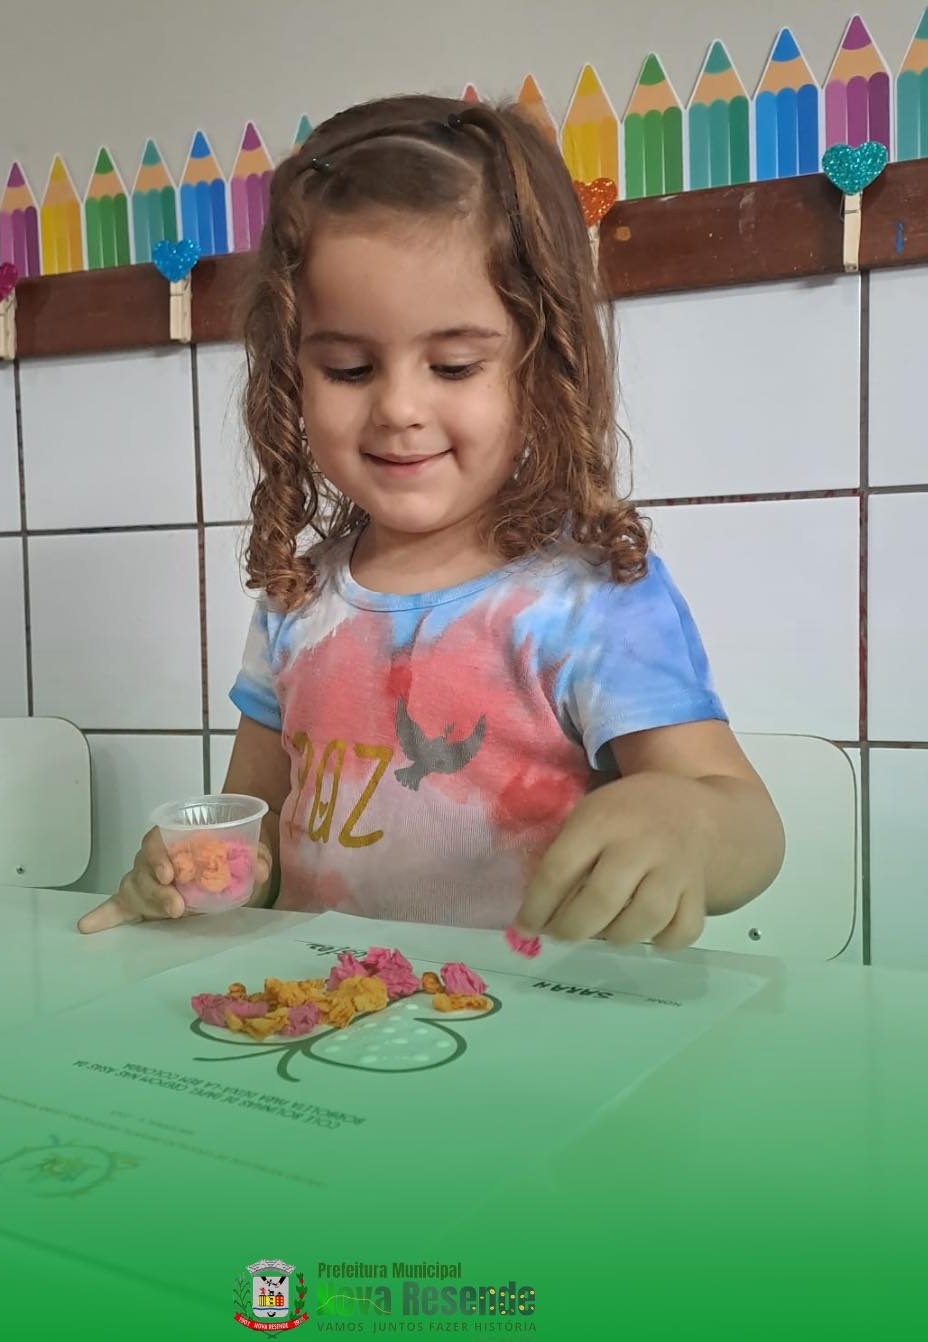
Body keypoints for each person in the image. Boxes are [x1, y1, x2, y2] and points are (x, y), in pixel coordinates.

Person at [79, 94, 784, 948]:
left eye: (452, 366)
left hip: (527, 1019)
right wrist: (197, 868)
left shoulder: (588, 600)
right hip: (324, 1010)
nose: (399, 408)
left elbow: (750, 827)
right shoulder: (298, 599)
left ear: (540, 365)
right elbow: (257, 839)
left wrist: (688, 824)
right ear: (293, 377)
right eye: (348, 369)